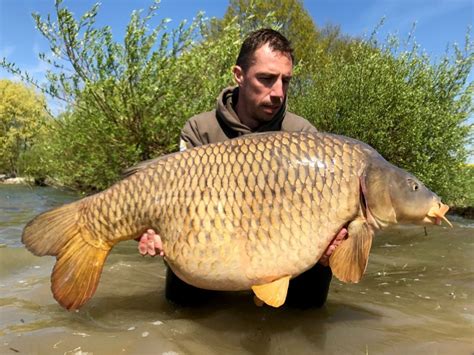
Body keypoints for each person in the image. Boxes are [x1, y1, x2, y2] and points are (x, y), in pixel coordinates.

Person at [138, 28, 347, 308]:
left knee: (317, 277)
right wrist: (156, 230)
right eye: (267, 79)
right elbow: (178, 203)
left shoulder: (303, 135)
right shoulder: (200, 130)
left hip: (283, 245)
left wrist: (333, 243)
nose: (278, 93)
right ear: (239, 75)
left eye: (286, 81)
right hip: (217, 242)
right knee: (181, 296)